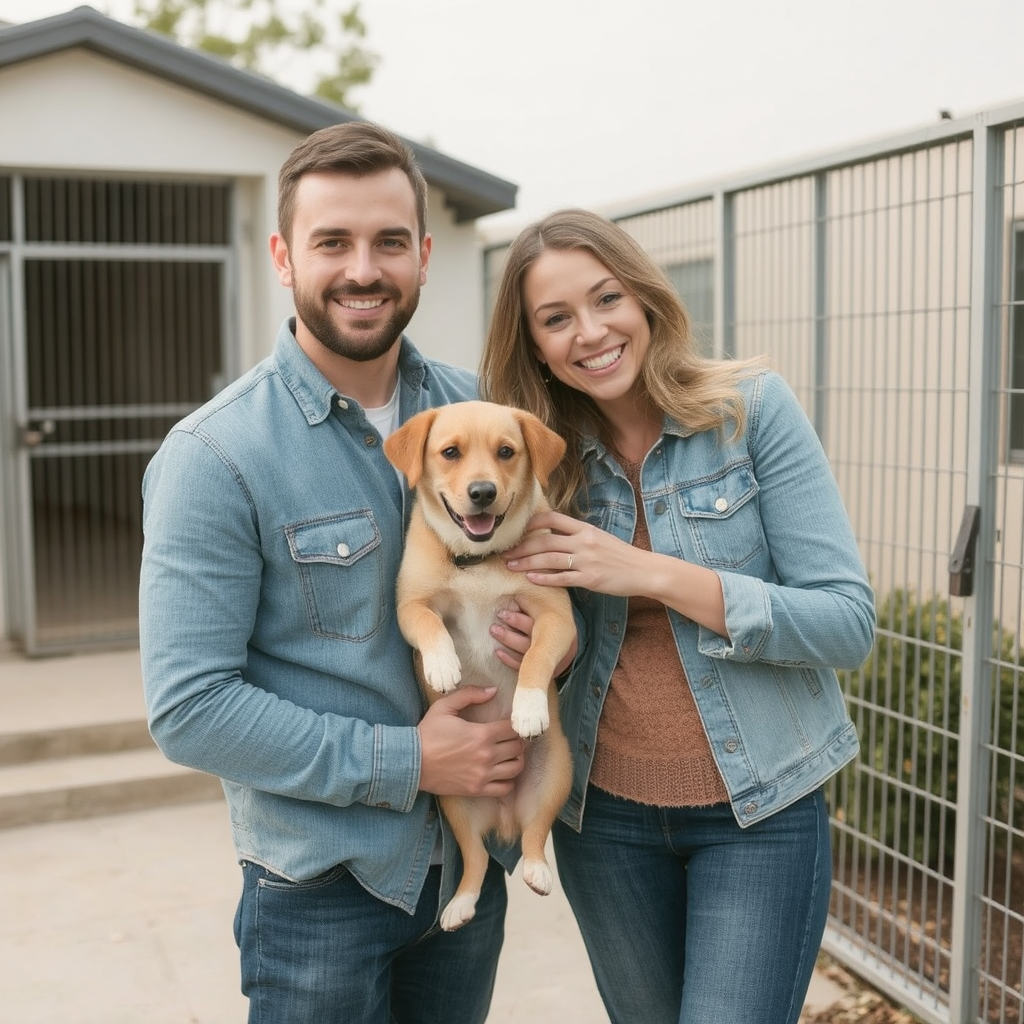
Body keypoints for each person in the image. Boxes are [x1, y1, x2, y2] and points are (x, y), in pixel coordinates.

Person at [139, 121, 531, 1024]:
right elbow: (189, 707)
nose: (364, 268)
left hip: (466, 874)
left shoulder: (480, 418)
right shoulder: (216, 455)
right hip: (319, 889)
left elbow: (550, 581)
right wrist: (409, 760)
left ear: (425, 255)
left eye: (389, 241)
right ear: (283, 255)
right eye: (333, 242)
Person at [478, 208, 876, 1024]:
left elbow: (845, 624)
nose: (590, 333)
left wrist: (649, 572)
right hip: (606, 822)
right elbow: (545, 645)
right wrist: (540, 652)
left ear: (646, 298)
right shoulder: (536, 462)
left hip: (756, 813)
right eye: (556, 319)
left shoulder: (749, 411)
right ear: (535, 344)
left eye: (606, 299)